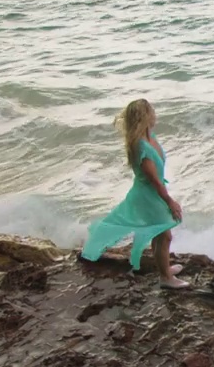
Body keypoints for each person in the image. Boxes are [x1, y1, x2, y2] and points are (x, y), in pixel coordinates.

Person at [81, 98, 190, 289]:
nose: (155, 114)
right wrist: (169, 201)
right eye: (152, 111)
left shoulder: (150, 137)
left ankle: (165, 270)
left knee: (160, 234)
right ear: (144, 116)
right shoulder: (140, 145)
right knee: (164, 235)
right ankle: (166, 278)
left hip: (153, 193)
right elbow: (154, 180)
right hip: (148, 195)